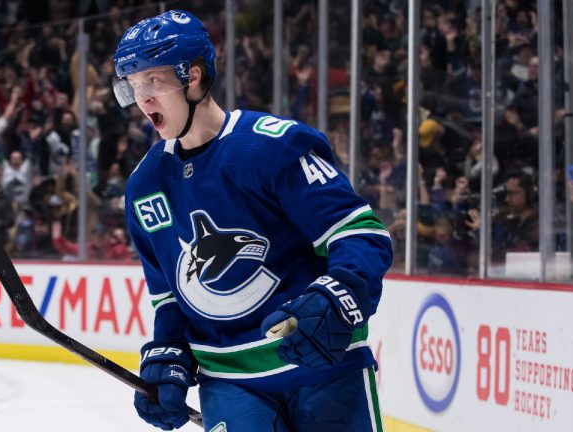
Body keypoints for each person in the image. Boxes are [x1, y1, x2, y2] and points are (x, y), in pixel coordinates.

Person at [113, 10, 393, 431]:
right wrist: (168, 353)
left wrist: (340, 295)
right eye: (133, 86)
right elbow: (170, 298)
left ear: (193, 76)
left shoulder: (271, 148)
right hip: (230, 384)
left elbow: (359, 233)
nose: (143, 99)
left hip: (321, 367)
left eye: (154, 81)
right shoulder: (145, 187)